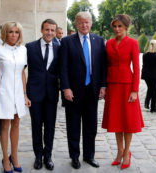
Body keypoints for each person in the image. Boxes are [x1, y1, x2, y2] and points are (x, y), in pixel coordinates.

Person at [60, 11, 107, 169]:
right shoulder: (67, 42)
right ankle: (74, 157)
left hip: (92, 91)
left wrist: (103, 85)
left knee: (91, 127)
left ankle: (89, 156)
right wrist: (66, 87)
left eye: (87, 22)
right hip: (73, 92)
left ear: (91, 23)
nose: (84, 25)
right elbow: (63, 67)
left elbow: (102, 66)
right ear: (76, 24)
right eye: (81, 22)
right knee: (73, 126)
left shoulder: (99, 41)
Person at [102, 14, 144, 170]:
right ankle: (119, 151)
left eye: (120, 26)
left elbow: (137, 68)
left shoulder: (133, 43)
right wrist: (104, 86)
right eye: (114, 26)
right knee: (116, 121)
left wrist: (135, 90)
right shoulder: (109, 43)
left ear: (126, 27)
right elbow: (105, 66)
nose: (116, 29)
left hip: (127, 86)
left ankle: (127, 152)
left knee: (127, 122)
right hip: (112, 86)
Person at [0, 21, 31, 173]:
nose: (14, 35)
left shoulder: (23, 50)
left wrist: (25, 95)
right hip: (3, 92)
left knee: (16, 124)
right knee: (5, 125)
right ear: (5, 33)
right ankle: (5, 159)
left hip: (18, 93)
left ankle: (14, 157)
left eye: (16, 32)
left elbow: (22, 72)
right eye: (11, 32)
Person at [25, 19, 60, 170]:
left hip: (52, 94)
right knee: (36, 126)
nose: (50, 33)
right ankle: (38, 156)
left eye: (52, 30)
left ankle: (48, 156)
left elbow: (64, 70)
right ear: (41, 30)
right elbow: (20, 69)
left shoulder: (60, 47)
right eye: (47, 30)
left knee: (50, 127)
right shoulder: (30, 47)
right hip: (35, 93)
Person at [141, 40, 156, 112]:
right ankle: (153, 107)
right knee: (154, 91)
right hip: (155, 76)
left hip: (147, 76)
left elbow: (144, 65)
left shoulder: (145, 54)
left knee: (150, 89)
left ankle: (146, 103)